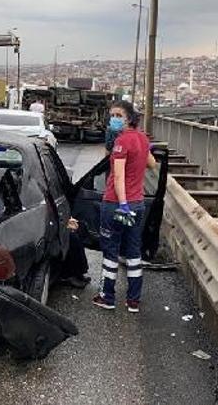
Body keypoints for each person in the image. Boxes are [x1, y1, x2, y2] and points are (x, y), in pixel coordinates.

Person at [92, 100, 157, 313]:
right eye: (112, 115)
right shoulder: (142, 138)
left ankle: (107, 297)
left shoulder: (120, 143)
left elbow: (118, 176)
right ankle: (133, 301)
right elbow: (152, 164)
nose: (114, 119)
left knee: (110, 252)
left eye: (118, 115)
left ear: (129, 118)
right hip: (138, 205)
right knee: (133, 252)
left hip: (116, 205)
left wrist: (122, 204)